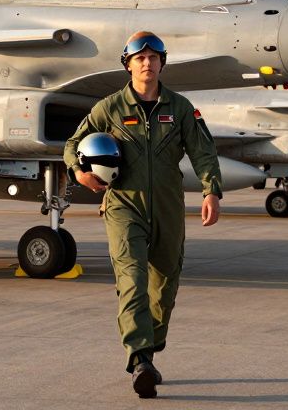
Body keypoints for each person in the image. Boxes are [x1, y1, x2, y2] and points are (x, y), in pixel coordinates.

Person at [63, 31, 222, 399]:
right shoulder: (110, 108)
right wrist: (78, 171)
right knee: (132, 280)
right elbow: (73, 144)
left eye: (153, 57)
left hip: (168, 208)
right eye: (140, 57)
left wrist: (211, 189)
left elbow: (203, 151)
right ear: (128, 64)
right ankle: (139, 359)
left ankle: (150, 348)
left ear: (162, 63)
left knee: (164, 287)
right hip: (124, 207)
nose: (147, 63)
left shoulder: (181, 108)